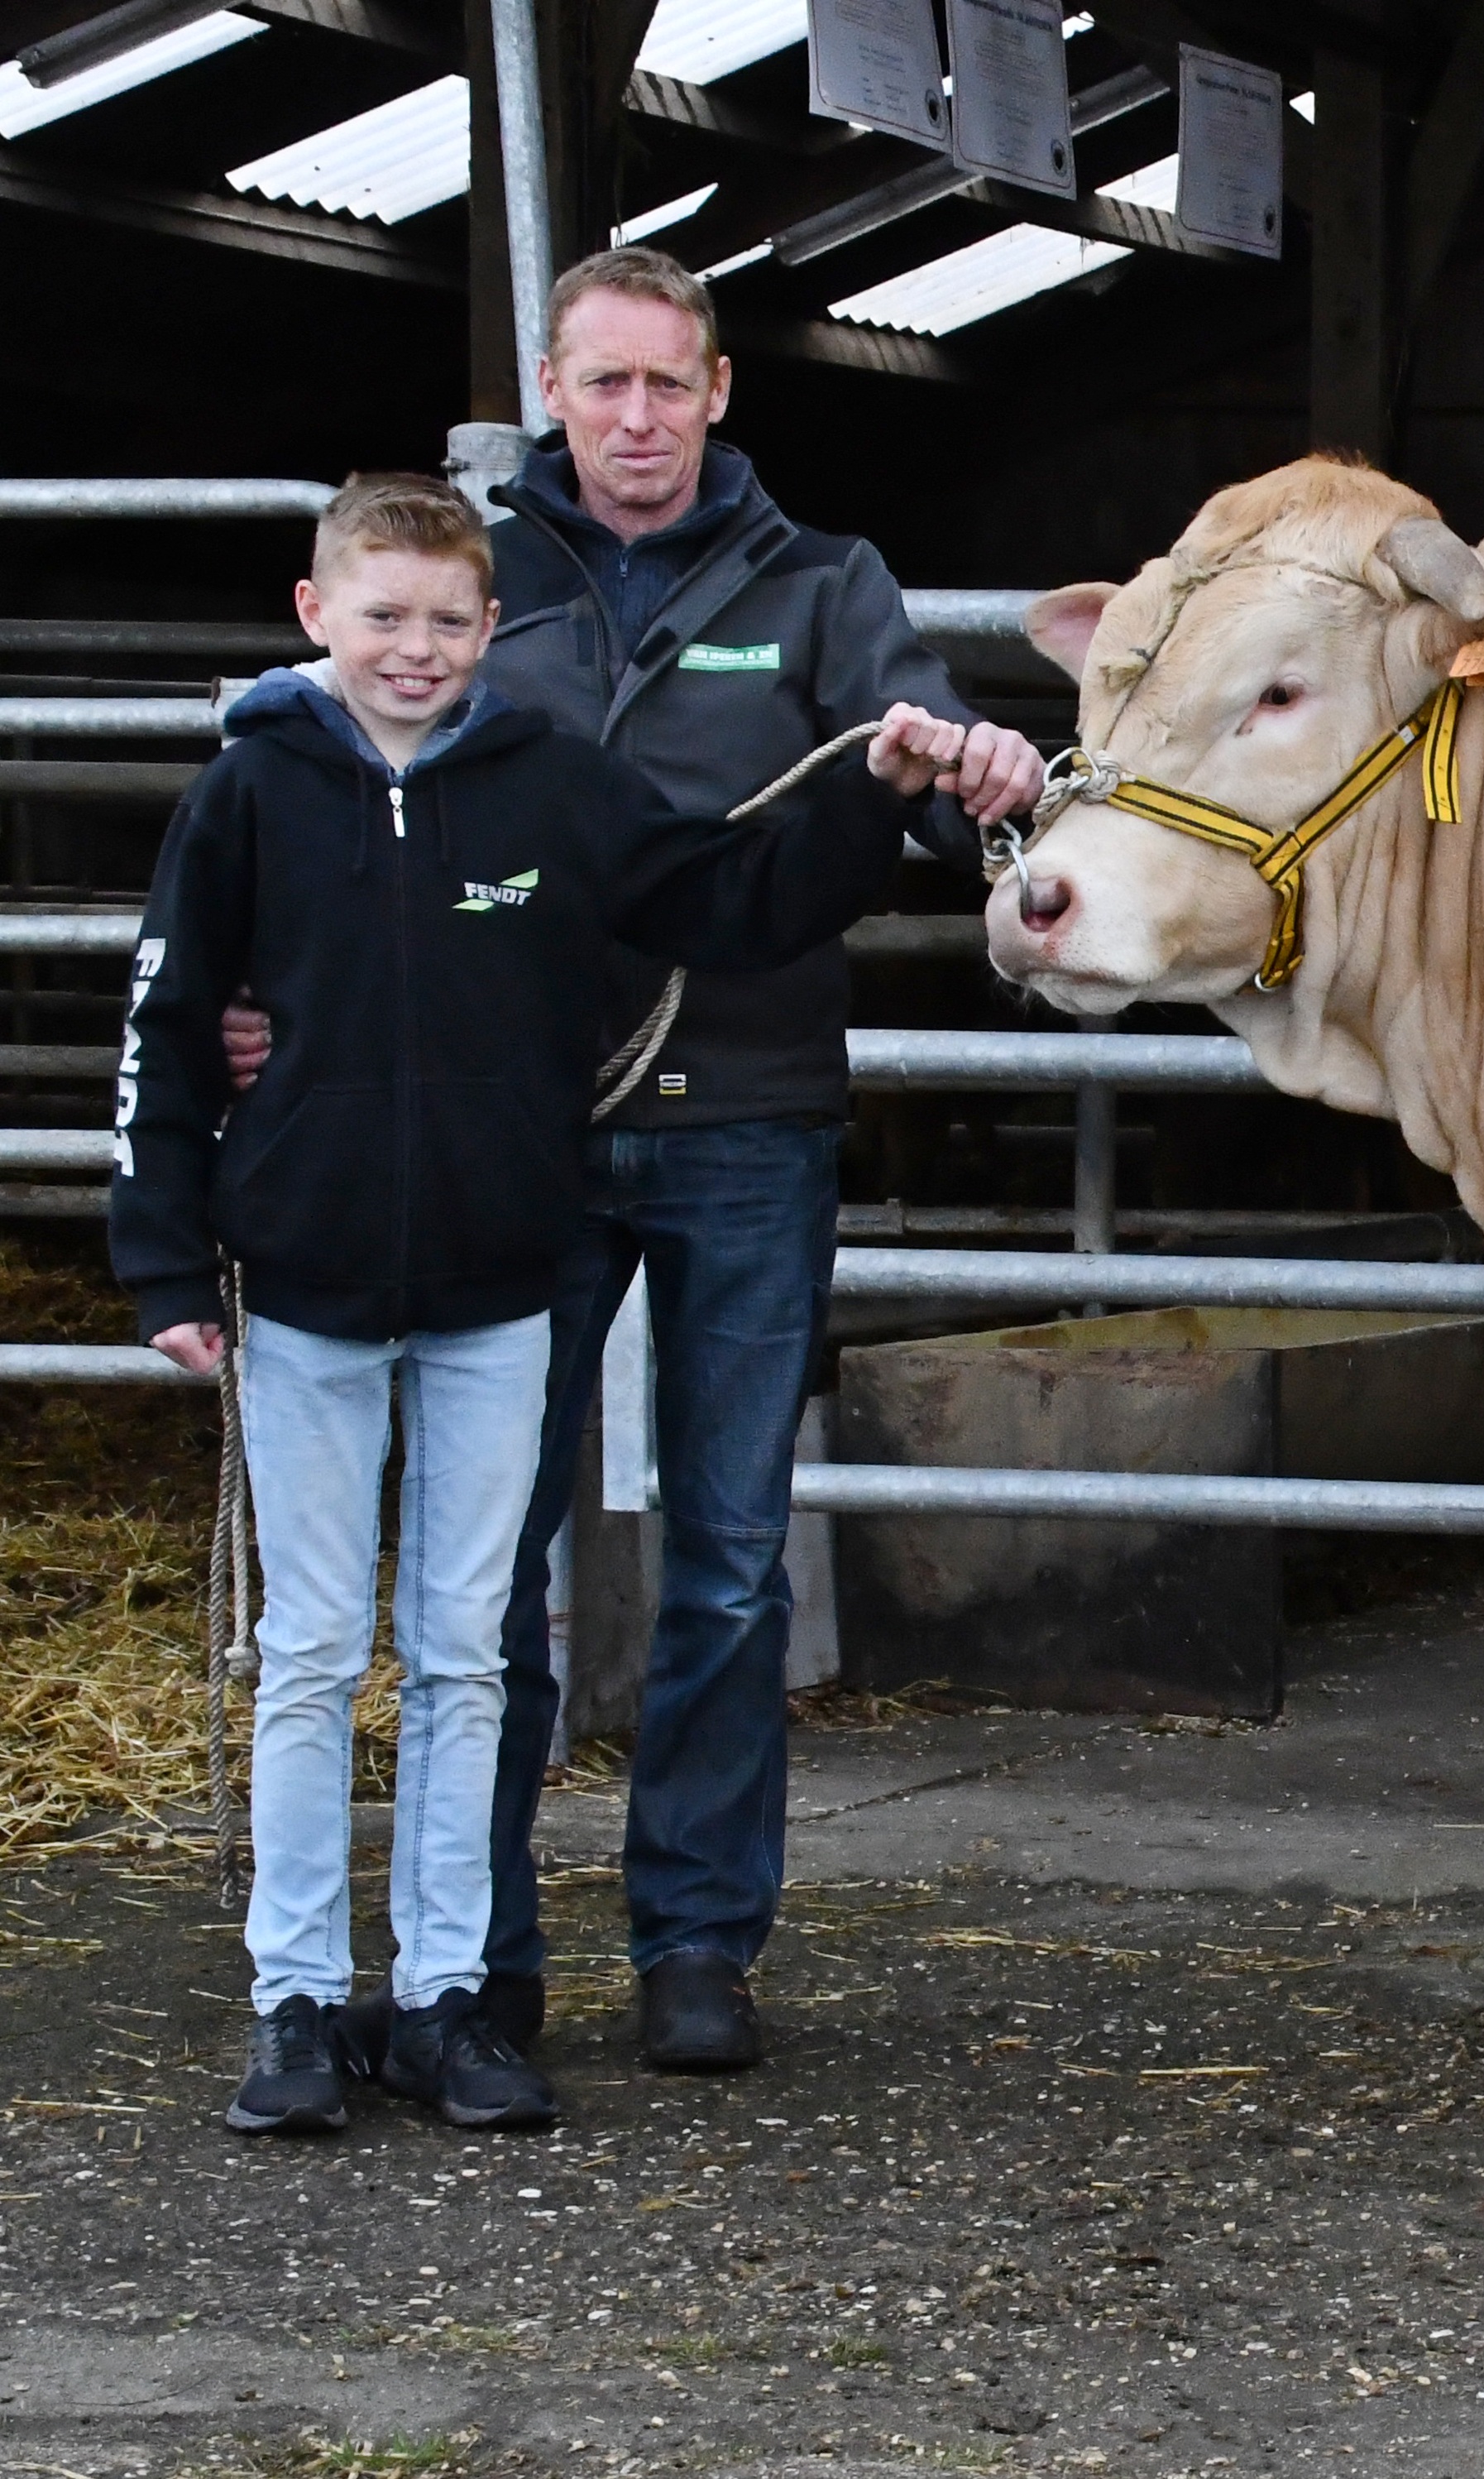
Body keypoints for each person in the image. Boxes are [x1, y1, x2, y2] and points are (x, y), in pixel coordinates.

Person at [233, 249, 1041, 2076]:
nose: (637, 418)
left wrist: (970, 769)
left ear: (719, 390)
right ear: (552, 388)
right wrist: (260, 997)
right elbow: (333, 775)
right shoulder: (481, 579)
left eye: (670, 383)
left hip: (748, 1113)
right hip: (518, 1124)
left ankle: (695, 1942)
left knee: (732, 1553)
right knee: (486, 1561)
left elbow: (916, 768)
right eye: (604, 383)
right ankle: (480, 1956)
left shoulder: (823, 582)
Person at [116, 474, 974, 2135]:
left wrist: (867, 800)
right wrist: (164, 1254)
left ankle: (447, 1996)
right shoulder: (249, 791)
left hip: (499, 1278)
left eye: (449, 620)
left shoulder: (552, 786)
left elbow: (726, 897)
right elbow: (170, 1018)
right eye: (383, 616)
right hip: (304, 1281)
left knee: (461, 1646)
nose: (416, 648)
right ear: (315, 616)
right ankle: (295, 1998)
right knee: (308, 1647)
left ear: (491, 628)